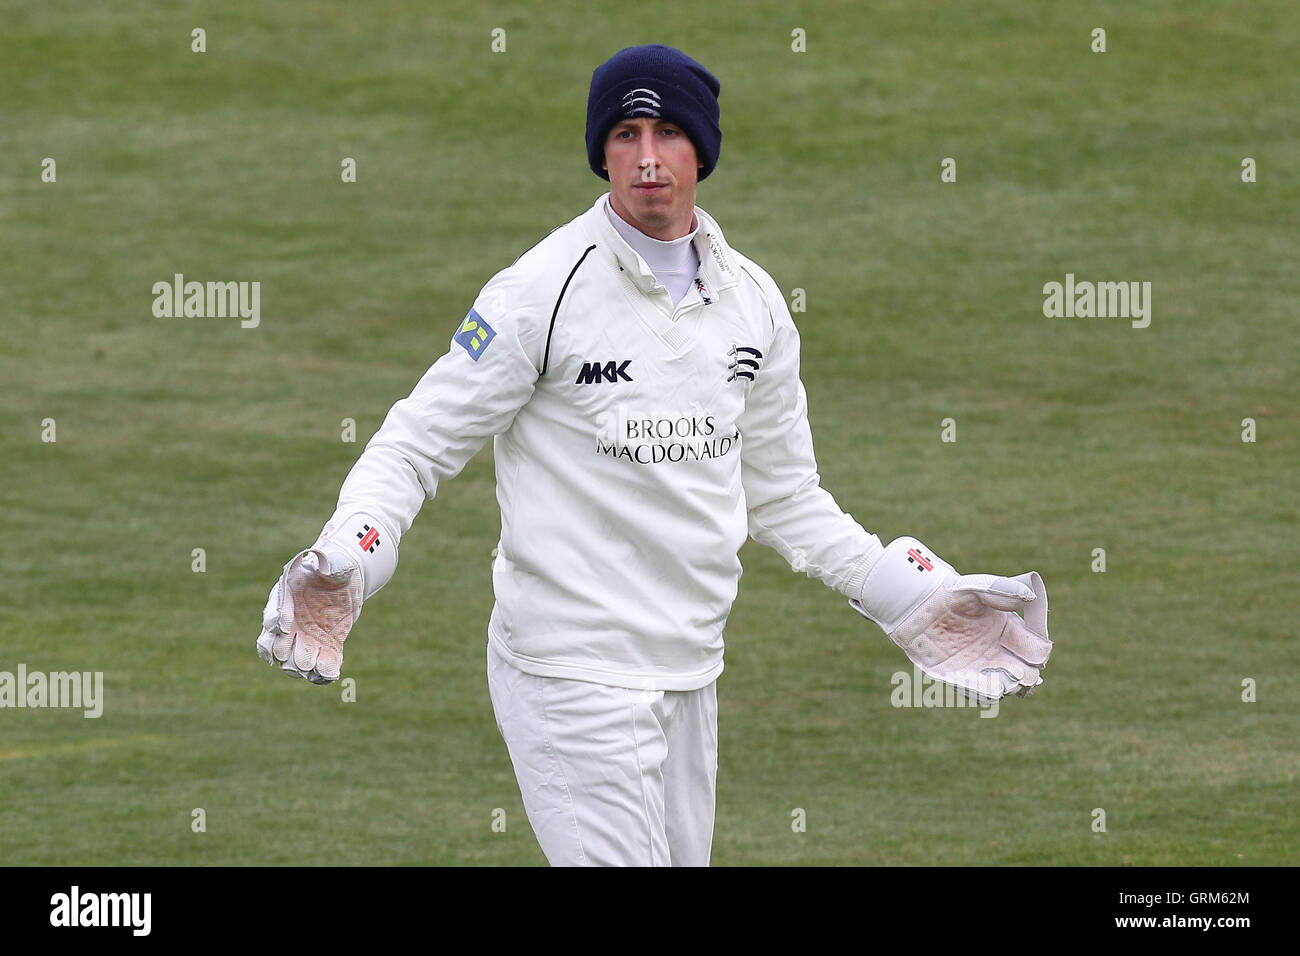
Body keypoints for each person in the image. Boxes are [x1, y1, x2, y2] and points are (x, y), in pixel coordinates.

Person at [256, 44, 1053, 867]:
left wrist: (908, 597)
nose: (646, 159)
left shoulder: (755, 305)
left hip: (689, 672)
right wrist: (353, 553)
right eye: (626, 134)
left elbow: (784, 497)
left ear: (700, 149)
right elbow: (415, 445)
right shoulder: (538, 293)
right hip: (569, 673)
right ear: (601, 151)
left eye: (668, 133)